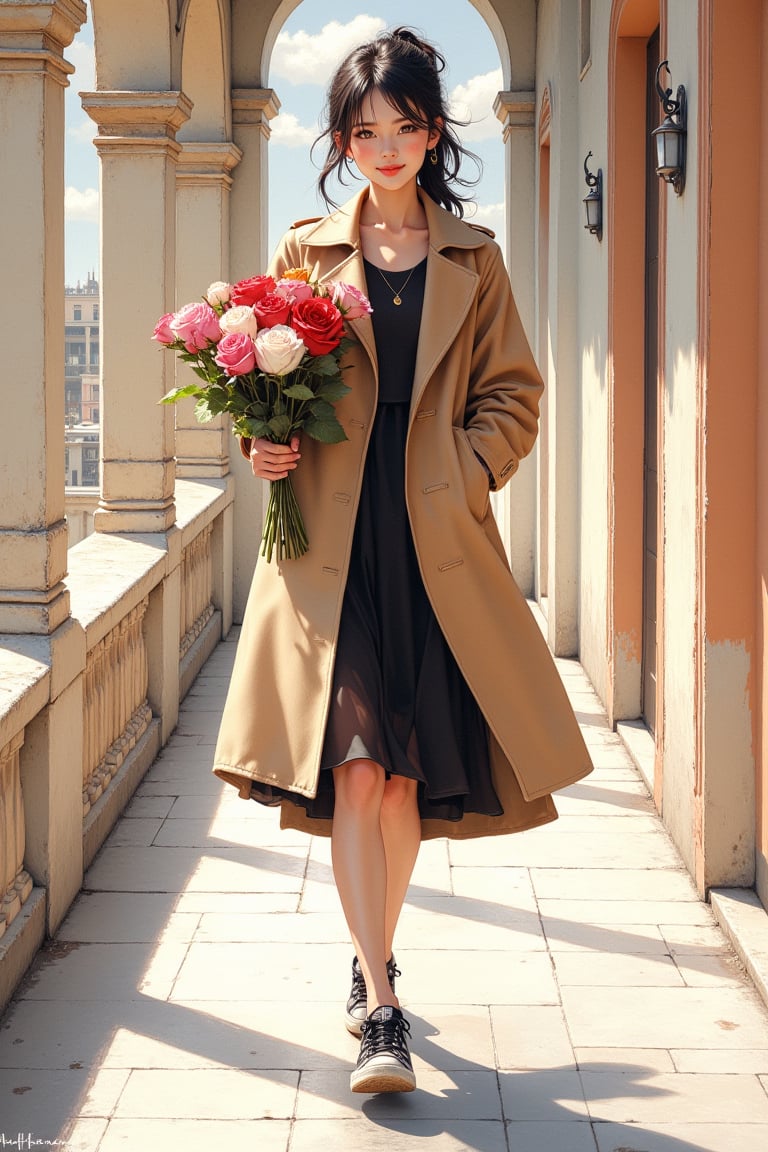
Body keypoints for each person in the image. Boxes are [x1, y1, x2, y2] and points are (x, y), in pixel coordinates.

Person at [212, 27, 593, 1095]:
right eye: (364, 129)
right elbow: (258, 392)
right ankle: (382, 1006)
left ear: (433, 132)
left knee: (403, 784)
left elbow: (514, 395)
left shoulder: (476, 259)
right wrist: (263, 444)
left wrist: (467, 470)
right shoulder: (302, 255)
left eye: (405, 126)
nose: (386, 147)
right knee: (357, 768)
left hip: (435, 544)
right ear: (341, 141)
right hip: (327, 543)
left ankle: (369, 955)